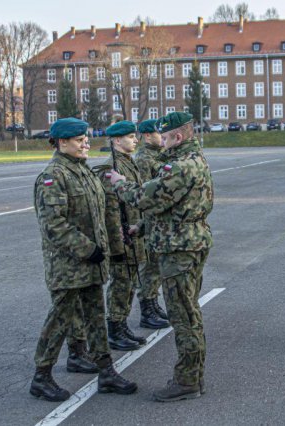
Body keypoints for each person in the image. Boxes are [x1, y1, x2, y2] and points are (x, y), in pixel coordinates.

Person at [30, 117, 137, 402]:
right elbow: (54, 226)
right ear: (62, 142)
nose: (85, 144)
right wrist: (88, 249)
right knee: (60, 321)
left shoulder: (84, 172)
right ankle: (41, 376)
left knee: (95, 319)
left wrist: (107, 247)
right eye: (79, 140)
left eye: (86, 139)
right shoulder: (53, 177)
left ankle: (106, 372)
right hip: (68, 267)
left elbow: (102, 216)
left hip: (92, 264)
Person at [110, 112, 213, 402]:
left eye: (165, 137)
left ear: (177, 137)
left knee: (184, 317)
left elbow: (145, 198)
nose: (162, 143)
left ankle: (187, 381)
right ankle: (193, 376)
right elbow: (173, 207)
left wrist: (118, 182)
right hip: (189, 240)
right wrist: (141, 226)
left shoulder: (180, 165)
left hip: (179, 249)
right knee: (189, 312)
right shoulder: (195, 159)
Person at [92, 120, 160, 352]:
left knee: (130, 281)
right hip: (121, 237)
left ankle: (122, 326)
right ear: (117, 140)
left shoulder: (127, 163)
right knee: (121, 283)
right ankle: (115, 328)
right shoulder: (111, 167)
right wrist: (116, 241)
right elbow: (110, 209)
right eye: (131, 137)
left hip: (133, 232)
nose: (135, 140)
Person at [134, 118, 170, 329]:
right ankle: (147, 309)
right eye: (158, 133)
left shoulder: (158, 155)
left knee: (156, 266)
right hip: (147, 221)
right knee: (148, 267)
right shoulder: (143, 159)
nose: (162, 137)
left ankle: (154, 303)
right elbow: (143, 193)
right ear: (148, 136)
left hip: (157, 222)